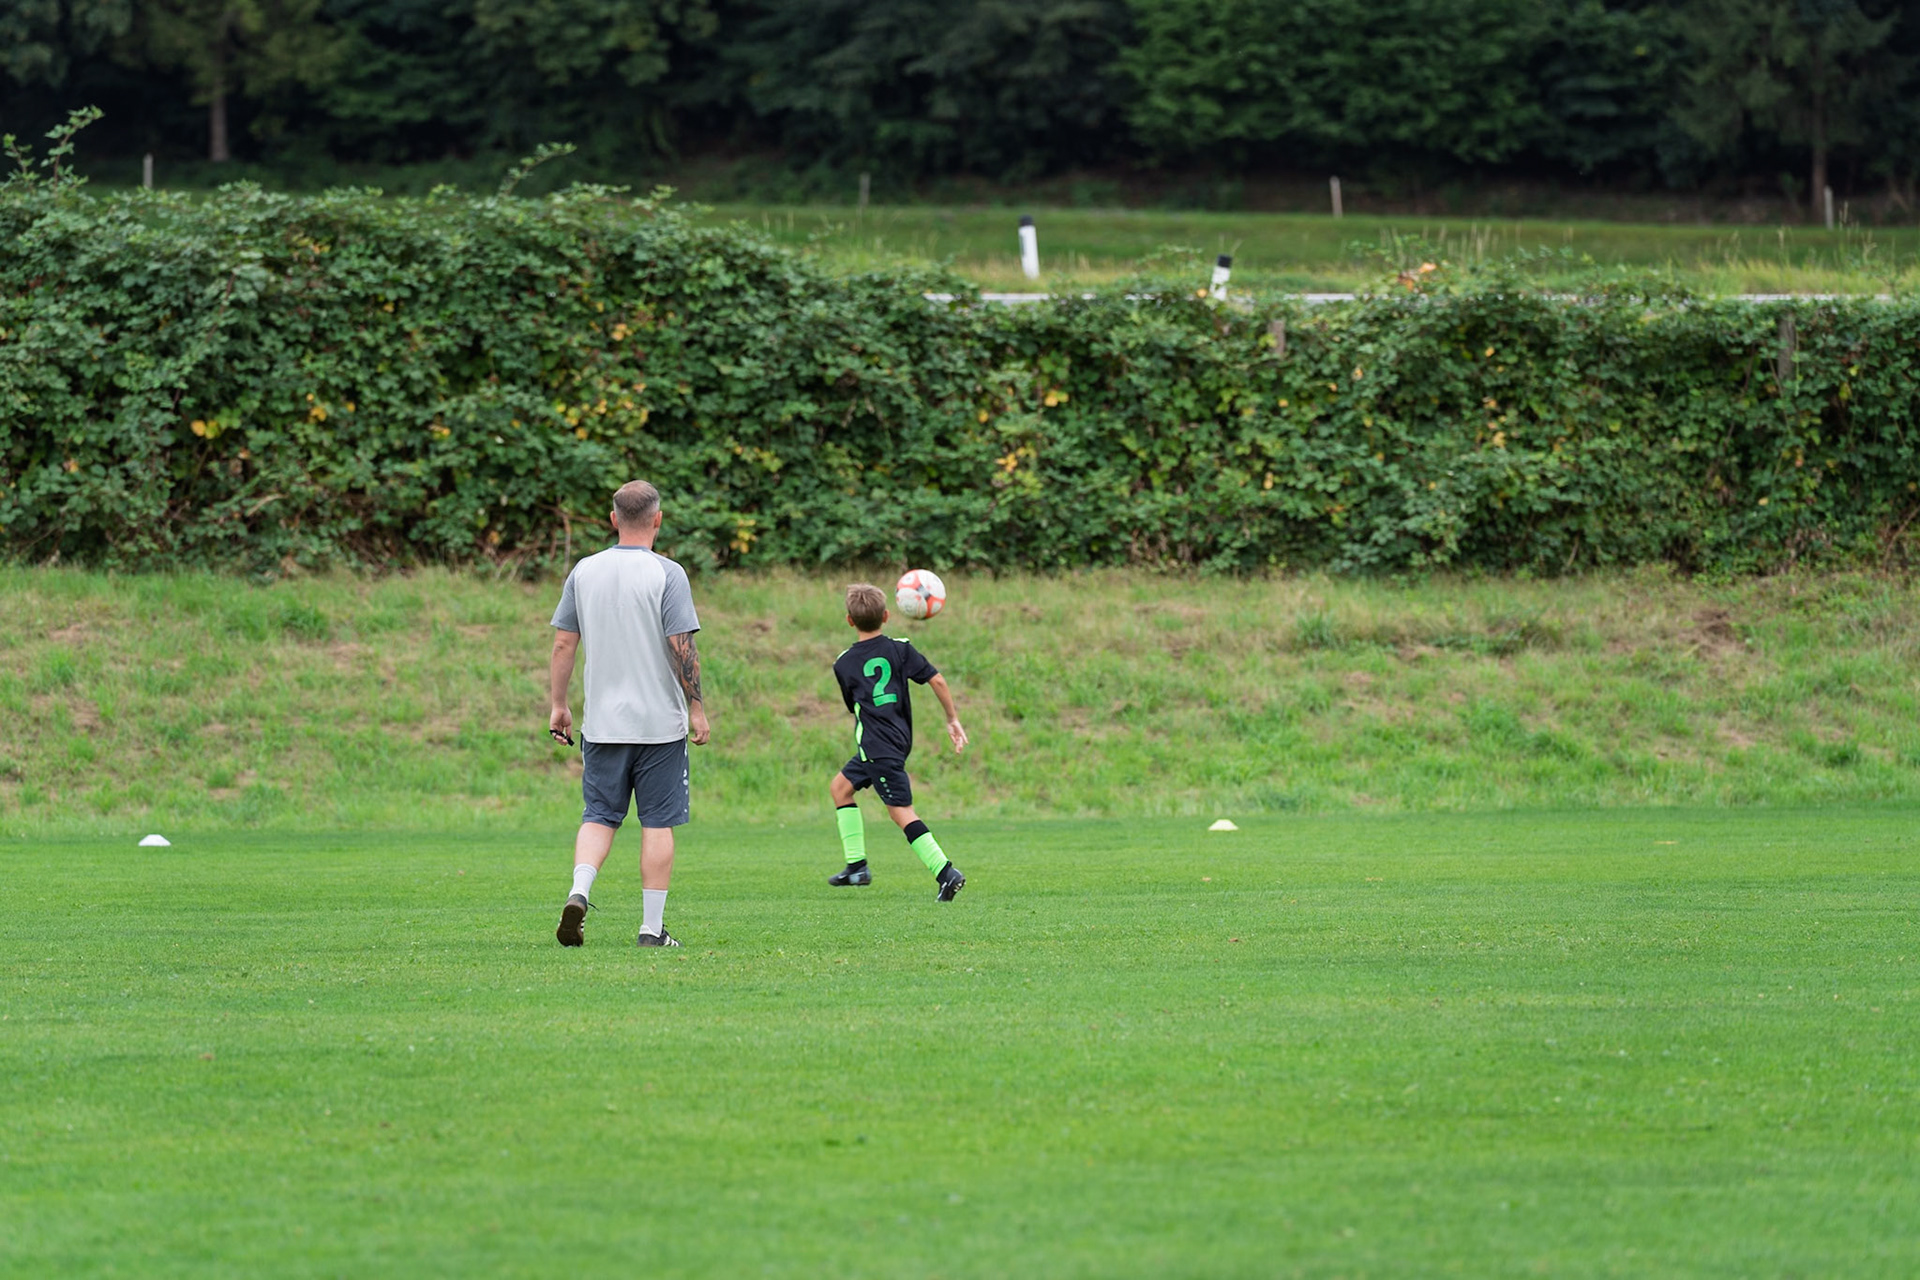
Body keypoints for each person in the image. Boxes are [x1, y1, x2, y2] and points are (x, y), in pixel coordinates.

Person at [548, 481, 710, 948]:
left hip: (603, 723)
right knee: (657, 822)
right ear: (657, 519)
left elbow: (563, 643)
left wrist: (559, 704)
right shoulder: (668, 574)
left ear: (613, 519)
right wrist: (697, 707)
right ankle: (650, 929)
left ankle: (580, 891)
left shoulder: (584, 571)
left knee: (599, 815)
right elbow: (682, 645)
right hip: (659, 726)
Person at [826, 582, 969, 900]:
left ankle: (945, 872)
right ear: (886, 616)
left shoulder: (844, 663)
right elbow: (937, 679)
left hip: (877, 746)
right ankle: (856, 868)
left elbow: (853, 705)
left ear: (849, 620)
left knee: (900, 811)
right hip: (891, 741)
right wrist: (952, 718)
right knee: (840, 788)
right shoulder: (900, 649)